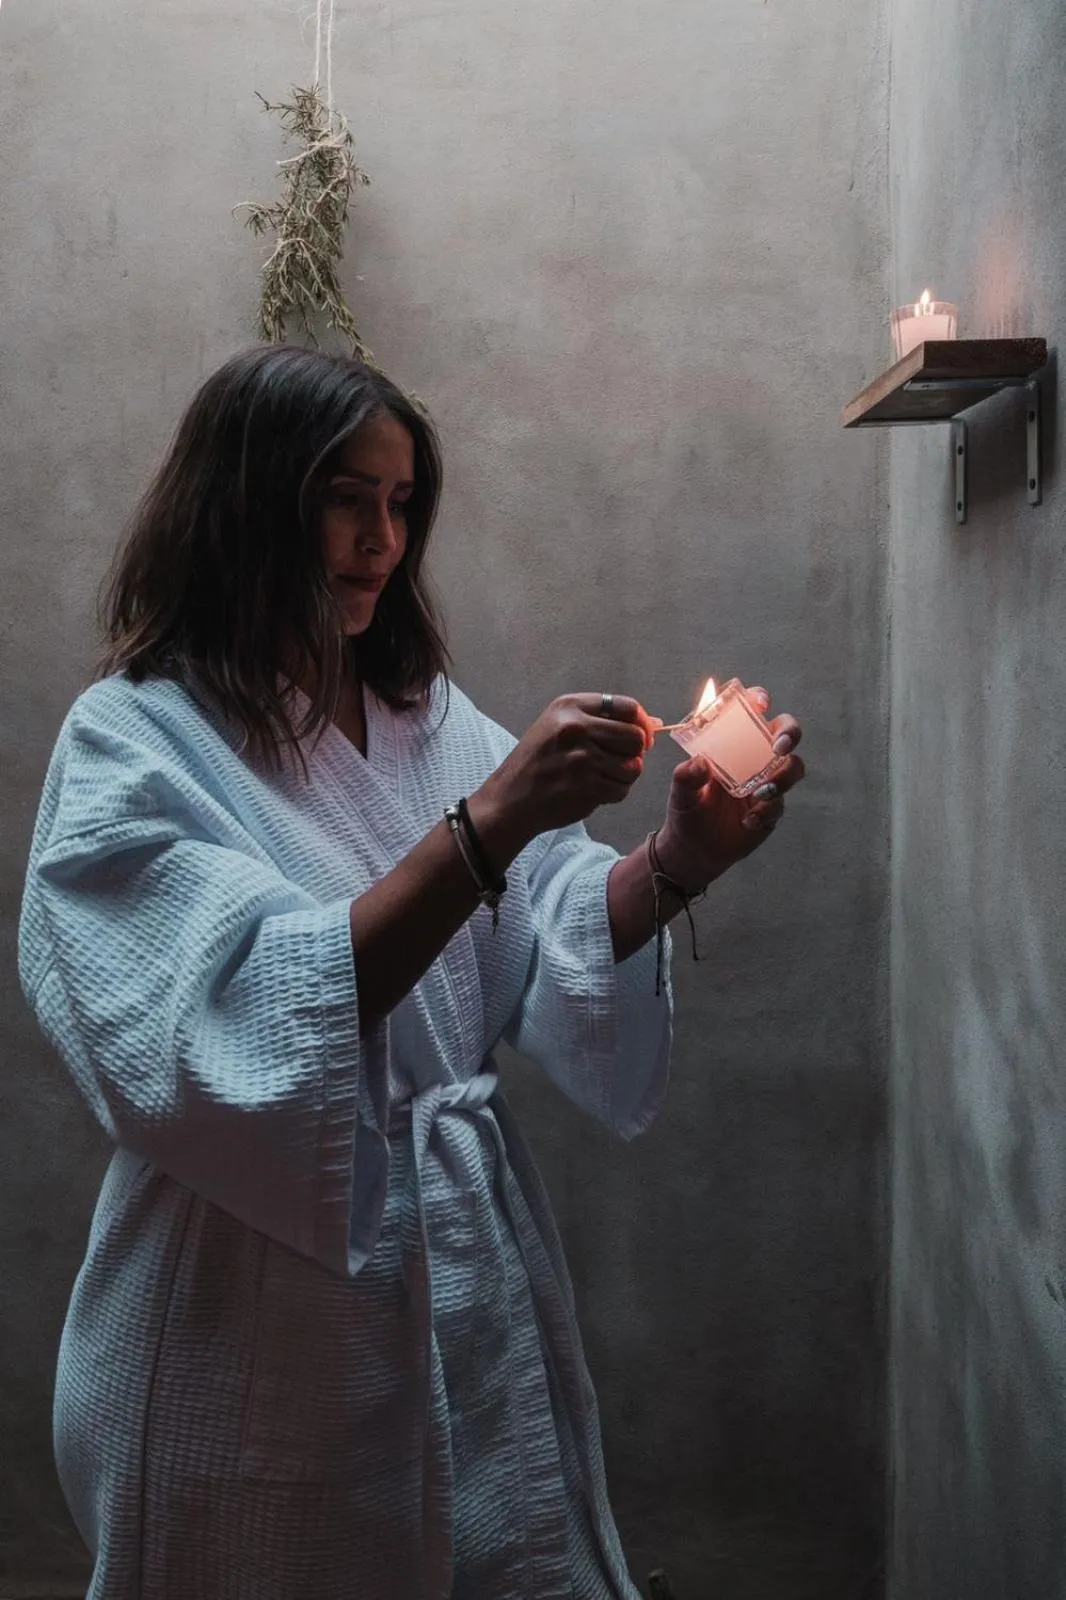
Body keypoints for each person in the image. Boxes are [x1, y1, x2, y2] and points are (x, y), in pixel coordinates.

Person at [18, 346, 804, 1599]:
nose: (379, 539)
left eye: (399, 503)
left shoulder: (421, 712)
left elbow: (546, 920)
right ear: (242, 501)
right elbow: (229, 1015)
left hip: (454, 1266)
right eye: (343, 496)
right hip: (245, 1298)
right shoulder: (135, 741)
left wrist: (680, 855)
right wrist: (486, 822)